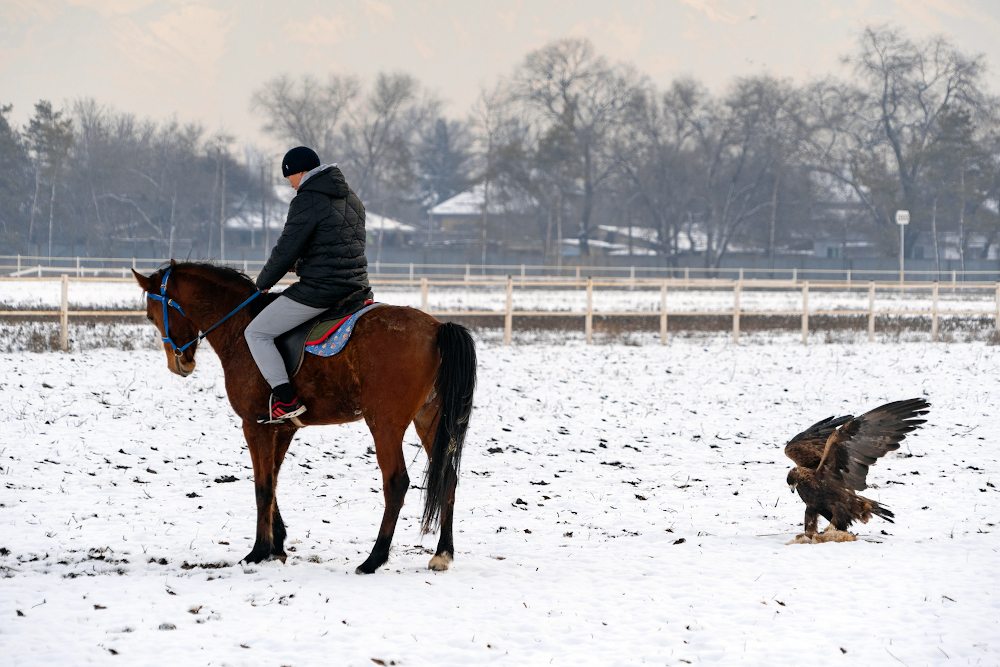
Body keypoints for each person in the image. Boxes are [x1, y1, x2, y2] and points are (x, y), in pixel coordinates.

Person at [245, 146, 372, 424]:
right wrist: (301, 265)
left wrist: (263, 283)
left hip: (321, 291)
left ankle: (286, 399)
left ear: (299, 172)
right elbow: (335, 248)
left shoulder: (308, 199)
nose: (290, 185)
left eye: (289, 177)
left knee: (257, 333)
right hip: (357, 289)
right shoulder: (352, 198)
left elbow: (286, 248)